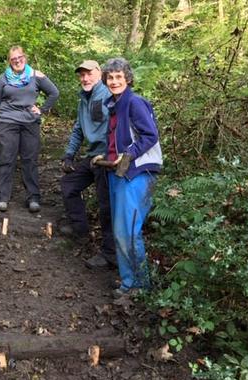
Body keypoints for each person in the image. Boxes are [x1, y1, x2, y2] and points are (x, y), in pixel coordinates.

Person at [100, 58, 162, 298]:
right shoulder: (113, 105)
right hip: (118, 172)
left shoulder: (135, 103)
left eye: (118, 77)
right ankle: (129, 281)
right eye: (110, 77)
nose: (114, 81)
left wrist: (128, 155)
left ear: (127, 78)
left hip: (137, 173)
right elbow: (119, 138)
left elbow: (150, 136)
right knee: (120, 230)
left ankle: (139, 286)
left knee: (128, 229)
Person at [60, 60, 116, 269]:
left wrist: (110, 156)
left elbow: (117, 127)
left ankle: (110, 254)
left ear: (99, 74)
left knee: (105, 206)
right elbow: (78, 129)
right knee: (69, 185)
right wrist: (69, 155)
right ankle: (80, 230)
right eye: (81, 75)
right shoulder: (84, 99)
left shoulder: (108, 96)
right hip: (92, 157)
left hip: (106, 159)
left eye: (89, 74)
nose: (85, 78)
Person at [0, 46, 59, 213]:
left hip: (30, 123)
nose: (17, 61)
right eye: (14, 59)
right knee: (6, 158)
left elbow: (54, 93)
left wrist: (41, 110)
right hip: (7, 122)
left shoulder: (36, 76)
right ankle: (2, 197)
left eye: (20, 57)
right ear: (9, 62)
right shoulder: (2, 79)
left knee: (30, 160)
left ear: (25, 58)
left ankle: (33, 197)